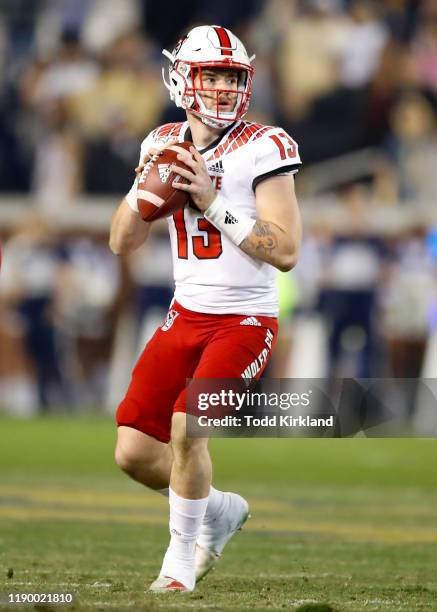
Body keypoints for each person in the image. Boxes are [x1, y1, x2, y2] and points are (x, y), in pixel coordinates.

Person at [109, 25, 302, 593]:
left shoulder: (265, 144)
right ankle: (214, 509)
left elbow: (286, 250)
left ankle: (180, 564)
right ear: (181, 79)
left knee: (187, 429)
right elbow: (123, 242)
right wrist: (145, 188)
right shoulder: (161, 140)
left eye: (231, 77)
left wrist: (212, 201)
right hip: (183, 314)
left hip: (244, 318)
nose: (221, 87)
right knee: (133, 452)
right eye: (211, 75)